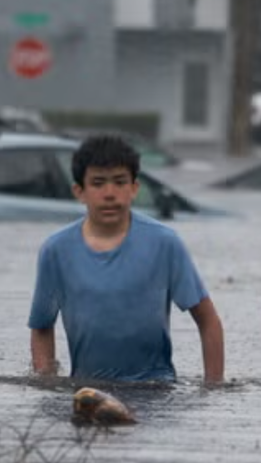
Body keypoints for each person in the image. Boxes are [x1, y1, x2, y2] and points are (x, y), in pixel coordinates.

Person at [29, 134, 224, 384]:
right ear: (79, 191)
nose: (110, 194)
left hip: (156, 390)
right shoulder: (56, 250)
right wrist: (46, 386)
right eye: (98, 183)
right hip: (87, 390)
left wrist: (213, 390)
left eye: (120, 182)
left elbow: (208, 320)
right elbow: (42, 327)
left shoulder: (164, 243)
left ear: (134, 188)